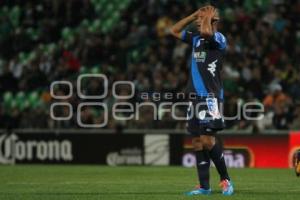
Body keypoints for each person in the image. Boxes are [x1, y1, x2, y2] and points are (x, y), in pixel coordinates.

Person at [170, 5, 234, 196]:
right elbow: (173, 30)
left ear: (214, 21)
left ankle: (226, 180)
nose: (198, 24)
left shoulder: (219, 39)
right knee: (197, 142)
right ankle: (204, 187)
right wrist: (192, 15)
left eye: (201, 20)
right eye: (198, 21)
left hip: (210, 96)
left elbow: (207, 31)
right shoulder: (196, 39)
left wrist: (207, 18)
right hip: (194, 97)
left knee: (207, 140)